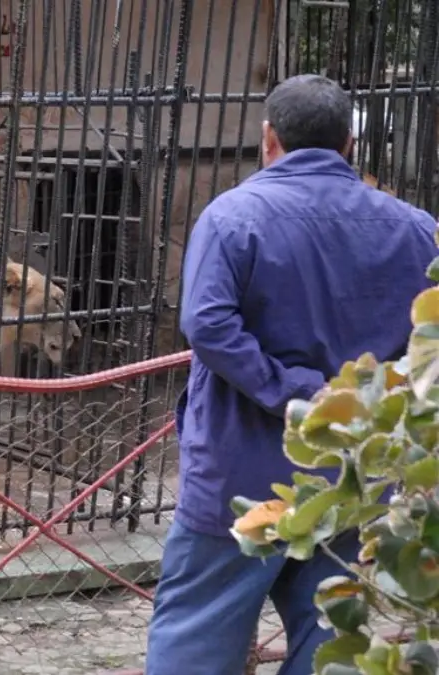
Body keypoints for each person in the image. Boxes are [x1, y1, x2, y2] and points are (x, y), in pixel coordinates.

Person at [144, 73, 439, 674]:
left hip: (242, 473)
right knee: (332, 638)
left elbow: (207, 325)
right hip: (355, 474)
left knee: (199, 632)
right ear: (349, 145)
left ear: (267, 137)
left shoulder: (232, 217)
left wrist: (292, 392)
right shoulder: (415, 228)